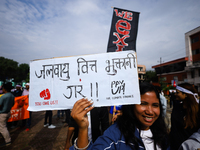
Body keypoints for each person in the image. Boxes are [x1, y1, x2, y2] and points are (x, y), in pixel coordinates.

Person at [69, 82, 169, 150]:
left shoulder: (163, 135)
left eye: (155, 105)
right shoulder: (115, 136)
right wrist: (83, 129)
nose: (150, 111)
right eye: (143, 104)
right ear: (131, 105)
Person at [170, 83, 200, 150]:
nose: (175, 94)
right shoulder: (177, 108)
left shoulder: (197, 111)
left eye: (177, 92)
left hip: (190, 146)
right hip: (175, 145)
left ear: (185, 94)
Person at [0, 82, 14, 147]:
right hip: (8, 112)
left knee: (3, 128)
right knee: (4, 126)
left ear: (5, 89)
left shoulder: (3, 97)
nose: (2, 89)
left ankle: (8, 141)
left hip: (2, 113)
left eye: (2, 88)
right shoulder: (12, 96)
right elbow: (13, 104)